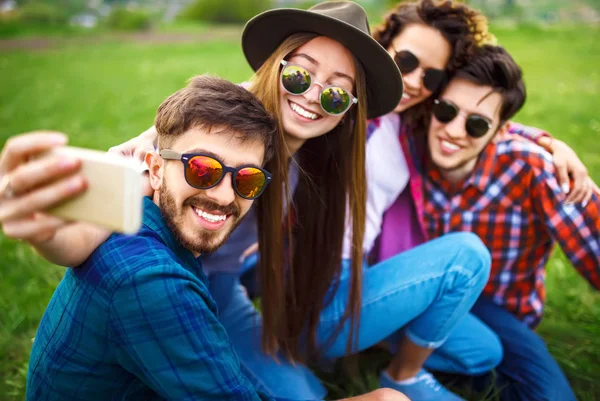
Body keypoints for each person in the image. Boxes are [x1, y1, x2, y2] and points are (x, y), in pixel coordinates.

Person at [23, 75, 410, 401]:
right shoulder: (153, 281)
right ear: (155, 169)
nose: (225, 197)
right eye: (203, 170)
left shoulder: (144, 223)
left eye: (247, 179)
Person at [414, 45, 599, 401]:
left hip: (500, 314)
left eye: (476, 123)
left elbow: (595, 246)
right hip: (426, 300)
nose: (452, 131)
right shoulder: (412, 149)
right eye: (446, 110)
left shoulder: (534, 169)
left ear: (500, 131)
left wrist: (548, 144)